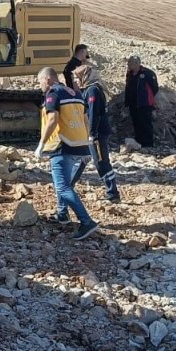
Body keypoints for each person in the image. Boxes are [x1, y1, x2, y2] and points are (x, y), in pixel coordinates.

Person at [35, 67, 98, 240]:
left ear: (47, 80)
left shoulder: (53, 94)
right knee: (66, 184)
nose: (39, 84)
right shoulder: (75, 93)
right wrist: (87, 141)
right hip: (80, 145)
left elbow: (53, 120)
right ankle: (62, 214)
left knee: (62, 186)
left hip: (62, 145)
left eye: (39, 80)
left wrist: (41, 143)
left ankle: (86, 222)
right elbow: (85, 119)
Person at [71, 64, 120, 202]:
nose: (75, 80)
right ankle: (68, 185)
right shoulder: (89, 90)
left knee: (101, 161)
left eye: (76, 77)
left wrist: (92, 134)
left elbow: (93, 114)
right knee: (81, 157)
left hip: (96, 133)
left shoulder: (92, 91)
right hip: (89, 132)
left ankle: (112, 192)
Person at [124, 56, 159, 147]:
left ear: (137, 63)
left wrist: (146, 97)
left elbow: (154, 88)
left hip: (144, 103)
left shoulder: (147, 73)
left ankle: (148, 144)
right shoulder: (130, 74)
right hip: (133, 103)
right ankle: (138, 142)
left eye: (130, 63)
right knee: (136, 123)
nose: (128, 65)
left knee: (145, 123)